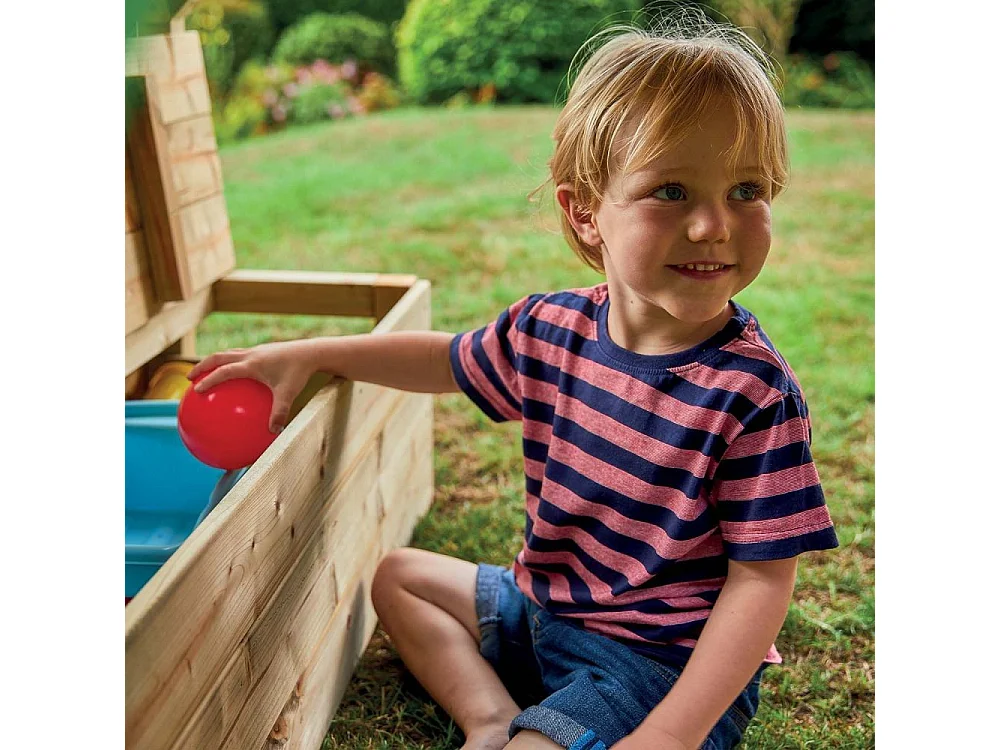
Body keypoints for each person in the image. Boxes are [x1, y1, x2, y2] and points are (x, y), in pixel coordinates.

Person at [187, 13, 839, 750]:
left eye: (747, 189)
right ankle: (490, 718)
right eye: (671, 191)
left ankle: (543, 729)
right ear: (584, 212)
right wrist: (314, 354)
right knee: (401, 578)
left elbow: (761, 582)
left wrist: (671, 734)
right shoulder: (551, 329)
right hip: (542, 612)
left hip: (656, 668)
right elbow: (443, 359)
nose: (713, 226)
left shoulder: (752, 392)